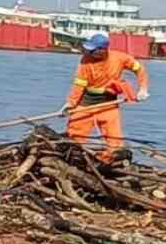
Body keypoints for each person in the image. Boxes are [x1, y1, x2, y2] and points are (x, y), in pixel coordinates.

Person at [64, 33, 149, 162]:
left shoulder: (119, 58)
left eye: (93, 50)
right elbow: (79, 85)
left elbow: (139, 68)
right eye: (89, 49)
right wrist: (70, 104)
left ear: (103, 50)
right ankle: (72, 160)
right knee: (74, 136)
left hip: (108, 104)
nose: (89, 52)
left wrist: (143, 88)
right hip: (85, 104)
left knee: (115, 141)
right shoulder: (85, 61)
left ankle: (109, 162)